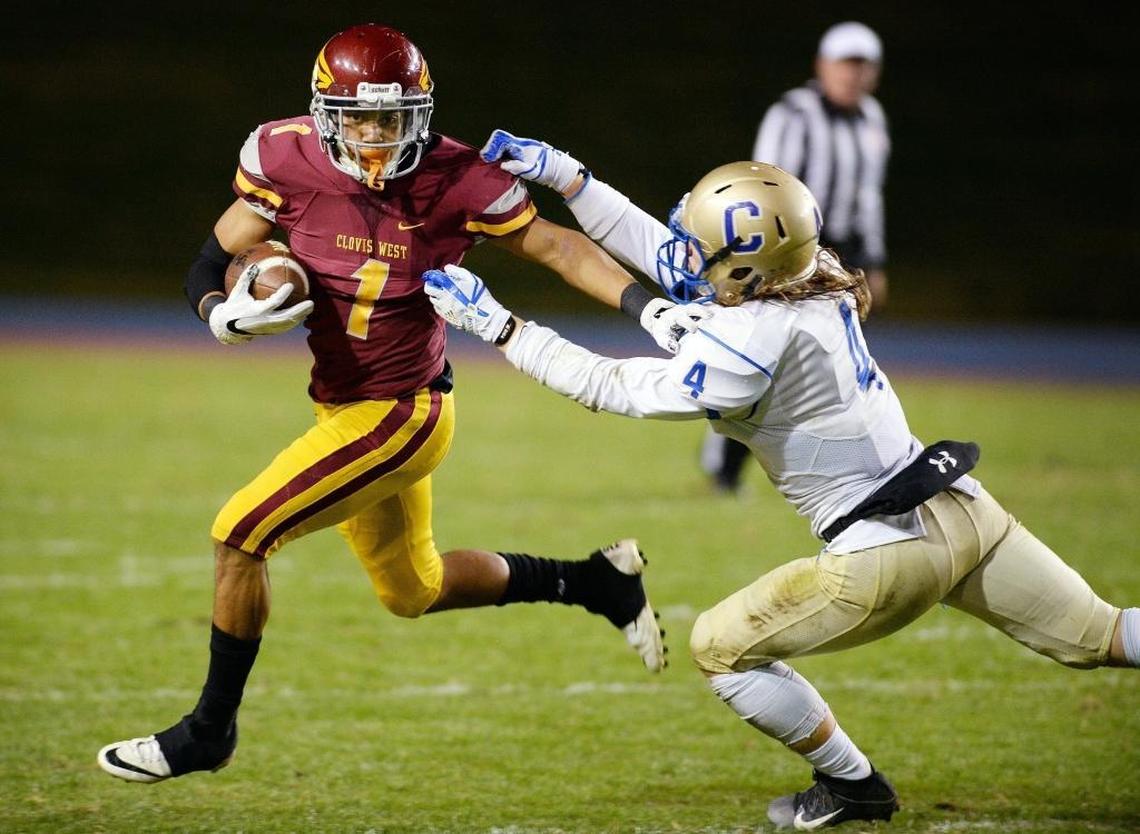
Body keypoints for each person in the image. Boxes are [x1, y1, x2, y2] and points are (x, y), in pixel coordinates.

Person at [421, 132, 1140, 830]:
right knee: (1103, 633)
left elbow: (610, 384)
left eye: (702, 246)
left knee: (719, 647)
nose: (686, 253)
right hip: (964, 511)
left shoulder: (746, 344)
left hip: (883, 553)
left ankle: (853, 785)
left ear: (745, 271)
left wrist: (503, 328)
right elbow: (673, 262)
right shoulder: (809, 270)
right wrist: (572, 179)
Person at [95, 23, 672, 785]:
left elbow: (557, 247)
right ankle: (595, 582)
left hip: (402, 413)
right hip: (341, 406)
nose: (375, 136)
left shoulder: (460, 178)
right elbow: (212, 258)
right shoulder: (283, 156)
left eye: (393, 117)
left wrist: (646, 307)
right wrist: (218, 313)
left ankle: (208, 731)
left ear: (420, 112)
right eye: (359, 118)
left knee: (239, 535)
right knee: (413, 590)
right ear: (324, 113)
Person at [704, 20, 891, 494]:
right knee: (762, 354)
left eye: (863, 65)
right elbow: (765, 183)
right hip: (792, 249)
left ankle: (847, 466)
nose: (854, 74)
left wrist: (874, 260)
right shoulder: (793, 114)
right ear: (822, 65)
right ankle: (724, 466)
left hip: (844, 255)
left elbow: (869, 197)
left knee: (838, 363)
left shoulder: (872, 118)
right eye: (846, 63)